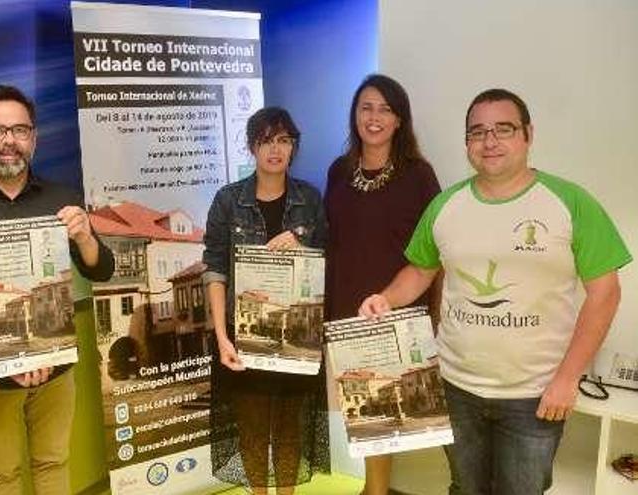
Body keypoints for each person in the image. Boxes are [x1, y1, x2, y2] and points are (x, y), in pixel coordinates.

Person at [359, 88, 632, 495]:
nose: (489, 141)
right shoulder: (446, 205)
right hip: (455, 387)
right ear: (467, 141)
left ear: (528, 135)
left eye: (503, 129)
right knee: (465, 488)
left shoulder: (569, 202)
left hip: (534, 396)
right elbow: (420, 270)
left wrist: (568, 378)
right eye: (477, 132)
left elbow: (605, 293)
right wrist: (387, 298)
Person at [0, 84, 114, 495]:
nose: (9, 141)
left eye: (19, 129)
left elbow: (102, 270)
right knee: (2, 474)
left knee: (53, 462)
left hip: (56, 366)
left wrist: (85, 236)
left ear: (33, 137)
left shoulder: (62, 198)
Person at [203, 107, 329, 495]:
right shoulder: (227, 201)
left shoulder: (309, 198)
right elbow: (214, 270)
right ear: (251, 146)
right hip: (244, 338)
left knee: (289, 430)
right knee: (253, 431)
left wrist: (303, 243)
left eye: (284, 140)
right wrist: (223, 337)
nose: (275, 149)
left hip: (296, 339)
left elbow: (327, 260)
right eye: (266, 140)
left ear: (293, 147)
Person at [325, 74, 441, 495]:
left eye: (385, 109)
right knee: (363, 412)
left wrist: (435, 315)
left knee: (388, 416)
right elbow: (331, 237)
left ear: (399, 120)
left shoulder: (419, 174)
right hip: (346, 308)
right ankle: (371, 489)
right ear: (355, 115)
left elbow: (434, 251)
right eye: (366, 107)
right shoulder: (339, 171)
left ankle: (375, 492)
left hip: (396, 308)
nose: (374, 117)